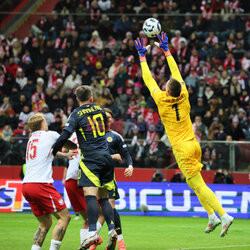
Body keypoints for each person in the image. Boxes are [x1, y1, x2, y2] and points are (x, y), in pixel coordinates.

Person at [134, 32, 234, 237]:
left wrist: (142, 56)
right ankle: (211, 216)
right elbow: (176, 72)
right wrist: (166, 50)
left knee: (198, 183)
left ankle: (224, 215)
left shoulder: (161, 100)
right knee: (191, 181)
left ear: (168, 91)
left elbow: (148, 79)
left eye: (165, 86)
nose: (163, 85)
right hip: (193, 143)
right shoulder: (185, 94)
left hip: (182, 147)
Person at [52, 86, 117, 250]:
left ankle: (90, 237)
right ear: (92, 97)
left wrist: (54, 150)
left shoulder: (74, 121)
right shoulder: (100, 111)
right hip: (104, 159)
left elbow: (66, 145)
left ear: (77, 99)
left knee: (91, 208)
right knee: (103, 202)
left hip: (81, 172)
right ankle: (110, 231)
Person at [22, 113, 76, 250]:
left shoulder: (31, 139)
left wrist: (65, 155)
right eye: (45, 121)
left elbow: (49, 151)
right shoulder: (50, 135)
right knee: (65, 217)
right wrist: (74, 144)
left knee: (45, 223)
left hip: (27, 186)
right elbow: (67, 143)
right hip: (41, 184)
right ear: (42, 124)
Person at [94, 108, 133, 250]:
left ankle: (120, 241)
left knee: (110, 207)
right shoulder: (92, 136)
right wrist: (112, 157)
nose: (108, 120)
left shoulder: (115, 136)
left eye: (110, 118)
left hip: (109, 177)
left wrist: (130, 165)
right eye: (106, 117)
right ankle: (94, 238)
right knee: (101, 212)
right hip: (92, 176)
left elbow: (126, 154)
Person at [61, 132, 88, 245]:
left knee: (87, 219)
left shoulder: (72, 135)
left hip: (70, 180)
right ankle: (90, 242)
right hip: (80, 180)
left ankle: (84, 245)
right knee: (97, 215)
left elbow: (63, 150)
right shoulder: (90, 135)